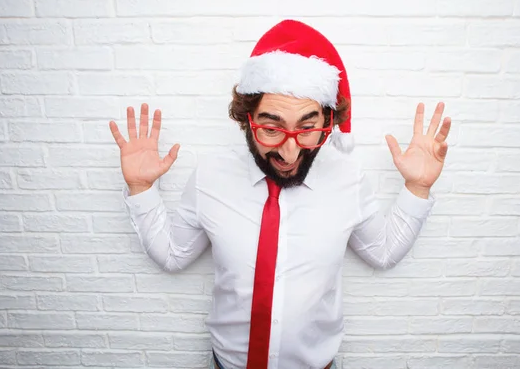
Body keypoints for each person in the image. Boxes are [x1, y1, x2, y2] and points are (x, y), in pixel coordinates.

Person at [109, 20, 451, 369]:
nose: (289, 154)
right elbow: (172, 256)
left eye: (308, 129)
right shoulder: (211, 177)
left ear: (328, 121)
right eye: (271, 129)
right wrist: (141, 188)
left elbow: (383, 252)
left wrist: (417, 188)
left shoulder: (348, 178)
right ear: (247, 118)